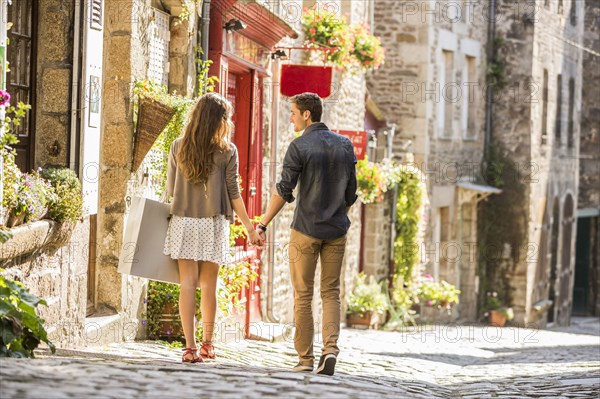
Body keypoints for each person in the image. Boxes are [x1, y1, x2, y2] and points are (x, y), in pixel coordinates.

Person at [256, 92, 357, 376]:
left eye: (293, 113)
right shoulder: (345, 145)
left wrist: (262, 223)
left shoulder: (299, 146)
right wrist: (336, 213)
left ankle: (305, 359)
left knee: (303, 294)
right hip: (336, 230)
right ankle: (331, 350)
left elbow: (283, 190)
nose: (290, 118)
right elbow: (351, 193)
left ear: (307, 115)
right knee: (331, 292)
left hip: (305, 230)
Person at [163, 92, 263, 363]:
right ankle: (208, 345)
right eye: (226, 117)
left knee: (187, 284)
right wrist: (250, 229)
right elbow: (234, 194)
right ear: (219, 120)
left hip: (183, 221)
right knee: (209, 285)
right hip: (213, 223)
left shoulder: (177, 146)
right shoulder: (228, 151)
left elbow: (170, 189)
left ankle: (189, 348)